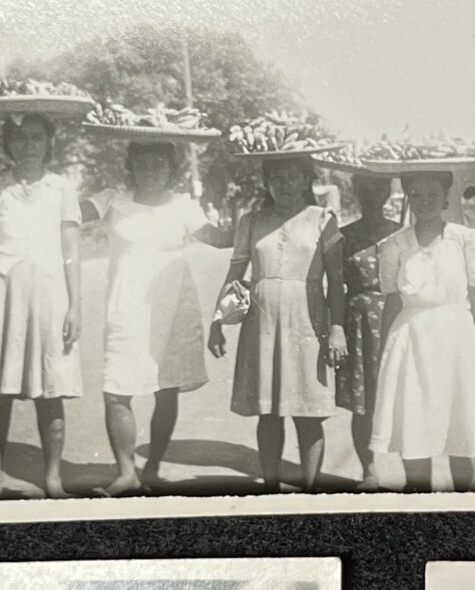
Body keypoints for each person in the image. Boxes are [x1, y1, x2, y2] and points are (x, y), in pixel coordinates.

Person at [86, 141, 220, 496]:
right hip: (126, 305)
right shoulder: (113, 200)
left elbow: (219, 240)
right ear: (131, 165)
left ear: (171, 168)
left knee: (166, 388)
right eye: (143, 163)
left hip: (173, 303)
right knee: (116, 389)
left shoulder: (183, 206)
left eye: (159, 163)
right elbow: (67, 215)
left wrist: (266, 218)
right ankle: (126, 472)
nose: (151, 170)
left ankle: (154, 467)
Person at [208, 154, 347, 491]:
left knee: (308, 412)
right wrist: (217, 321)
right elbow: (236, 273)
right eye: (277, 178)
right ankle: (271, 487)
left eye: (292, 177)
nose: (285, 185)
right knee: (268, 412)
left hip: (308, 320)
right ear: (267, 183)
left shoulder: (323, 219)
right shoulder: (252, 221)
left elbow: (337, 277)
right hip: (262, 322)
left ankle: (310, 488)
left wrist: (337, 328)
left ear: (305, 181)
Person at [0, 113, 82, 499]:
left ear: (50, 142)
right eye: (19, 138)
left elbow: (71, 253)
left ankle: (52, 478)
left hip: (51, 295)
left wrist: (75, 307)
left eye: (37, 138)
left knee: (50, 389)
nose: (28, 145)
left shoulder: (62, 189)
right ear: (8, 143)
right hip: (5, 295)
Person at [369, 170, 475, 492]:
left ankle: (466, 513)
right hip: (411, 341)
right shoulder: (395, 244)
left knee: (462, 435)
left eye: (432, 194)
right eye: (417, 194)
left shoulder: (466, 239)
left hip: (457, 342)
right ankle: (420, 511)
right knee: (415, 434)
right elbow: (391, 302)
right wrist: (383, 355)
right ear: (408, 199)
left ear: (446, 197)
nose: (424, 201)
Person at [333, 172, 399, 489]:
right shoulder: (343, 236)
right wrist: (336, 329)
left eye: (379, 186)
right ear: (355, 192)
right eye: (365, 188)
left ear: (389, 190)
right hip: (359, 323)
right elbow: (335, 287)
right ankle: (369, 470)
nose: (373, 194)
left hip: (396, 319)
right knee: (363, 403)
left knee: (402, 397)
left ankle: (412, 471)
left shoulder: (403, 234)